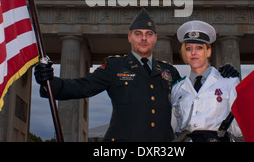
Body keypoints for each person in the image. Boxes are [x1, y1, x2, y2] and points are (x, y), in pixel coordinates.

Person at [34, 8, 181, 142]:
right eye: (138, 34)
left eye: (149, 34)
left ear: (155, 38)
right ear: (130, 37)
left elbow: (187, 103)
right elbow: (83, 86)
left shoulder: (169, 71)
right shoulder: (114, 66)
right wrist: (49, 81)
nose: (144, 38)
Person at [171, 20, 242, 142]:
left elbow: (239, 130)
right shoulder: (177, 88)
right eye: (188, 48)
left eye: (199, 48)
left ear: (208, 52)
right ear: (184, 53)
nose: (193, 53)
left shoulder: (228, 83)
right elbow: (174, 128)